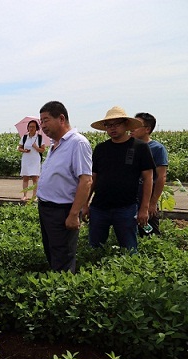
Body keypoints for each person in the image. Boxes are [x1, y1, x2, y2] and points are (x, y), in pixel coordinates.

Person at [84, 107, 155, 252]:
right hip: (99, 208)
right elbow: (93, 178)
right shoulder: (101, 149)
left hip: (126, 208)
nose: (112, 128)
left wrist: (144, 208)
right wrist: (85, 203)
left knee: (129, 250)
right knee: (95, 249)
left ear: (126, 125)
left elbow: (148, 178)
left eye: (116, 124)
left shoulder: (140, 147)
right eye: (109, 125)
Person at [37, 101, 92, 273]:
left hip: (62, 210)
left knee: (63, 258)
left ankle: (64, 295)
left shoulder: (78, 143)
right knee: (53, 253)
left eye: (46, 120)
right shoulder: (55, 144)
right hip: (47, 208)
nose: (42, 126)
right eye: (41, 122)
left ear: (61, 118)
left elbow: (86, 180)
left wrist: (74, 214)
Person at [131, 112, 169, 236]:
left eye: (136, 125)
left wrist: (152, 203)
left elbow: (161, 177)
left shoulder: (157, 149)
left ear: (147, 129)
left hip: (146, 198)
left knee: (150, 233)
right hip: (129, 199)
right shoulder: (129, 147)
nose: (132, 128)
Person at [17, 119, 47, 201]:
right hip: (26, 159)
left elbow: (43, 150)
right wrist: (24, 150)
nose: (31, 128)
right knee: (25, 177)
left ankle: (34, 196)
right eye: (30, 127)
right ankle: (25, 195)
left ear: (36, 128)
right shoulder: (25, 137)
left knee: (35, 178)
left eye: (33, 127)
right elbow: (19, 148)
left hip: (35, 160)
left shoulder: (39, 138)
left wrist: (36, 147)